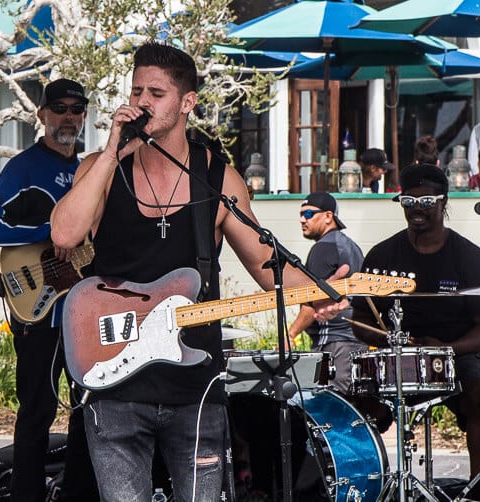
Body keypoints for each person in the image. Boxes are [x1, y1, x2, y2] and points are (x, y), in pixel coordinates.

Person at [50, 42, 348, 501]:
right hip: (115, 385)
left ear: (187, 103)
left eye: (156, 92)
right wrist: (111, 149)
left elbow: (266, 270)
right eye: (137, 91)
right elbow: (65, 236)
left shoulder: (218, 178)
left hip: (195, 387)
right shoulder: (102, 169)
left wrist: (322, 289)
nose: (142, 101)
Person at [0, 78, 98, 502]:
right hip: (38, 305)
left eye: (76, 109)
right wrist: (56, 233)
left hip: (81, 306)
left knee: (90, 407)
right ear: (42, 114)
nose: (68, 116)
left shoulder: (89, 168)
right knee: (36, 410)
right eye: (59, 108)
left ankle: (78, 493)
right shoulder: (23, 167)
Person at [350, 163, 480, 499]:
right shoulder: (382, 255)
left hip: (457, 353)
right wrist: (387, 339)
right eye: (408, 202)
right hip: (398, 352)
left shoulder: (471, 258)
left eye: (426, 202)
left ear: (443, 203)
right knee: (357, 404)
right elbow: (361, 318)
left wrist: (446, 349)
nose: (416, 210)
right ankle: (366, 486)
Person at [287, 192, 366, 394]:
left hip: (335, 341)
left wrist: (291, 334)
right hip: (355, 341)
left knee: (331, 407)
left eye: (309, 213)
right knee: (351, 403)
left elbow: (311, 303)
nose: (302, 220)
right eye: (301, 214)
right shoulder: (351, 246)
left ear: (328, 216)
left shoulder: (323, 248)